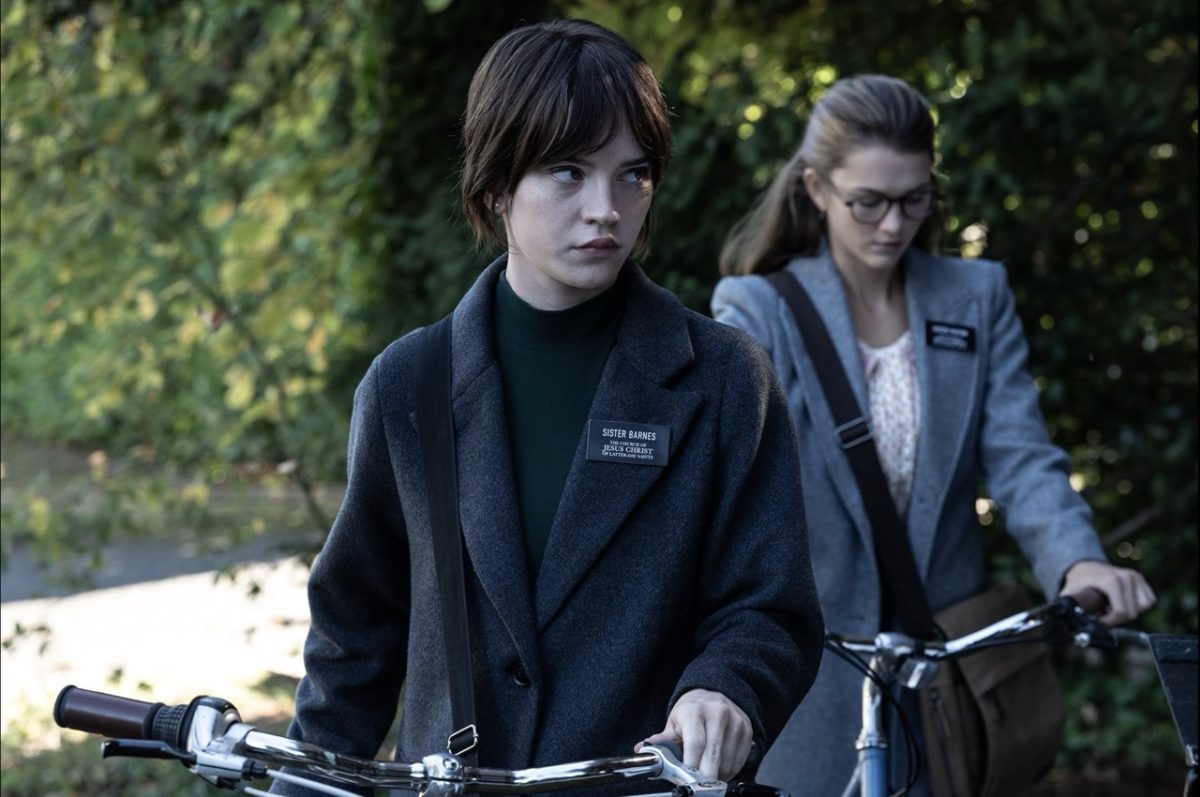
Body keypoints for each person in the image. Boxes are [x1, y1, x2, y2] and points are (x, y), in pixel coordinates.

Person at [272, 19, 824, 797]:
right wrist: (305, 786)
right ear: (496, 185)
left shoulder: (725, 378)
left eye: (633, 175)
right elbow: (353, 635)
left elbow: (767, 607)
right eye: (569, 171)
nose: (607, 208)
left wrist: (726, 687)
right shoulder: (409, 383)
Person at [711, 73, 1156, 796]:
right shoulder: (757, 310)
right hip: (811, 676)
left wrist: (1078, 564)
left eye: (915, 199)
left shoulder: (976, 297)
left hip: (951, 672)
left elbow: (1021, 457)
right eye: (869, 203)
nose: (893, 224)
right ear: (817, 189)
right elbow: (730, 488)